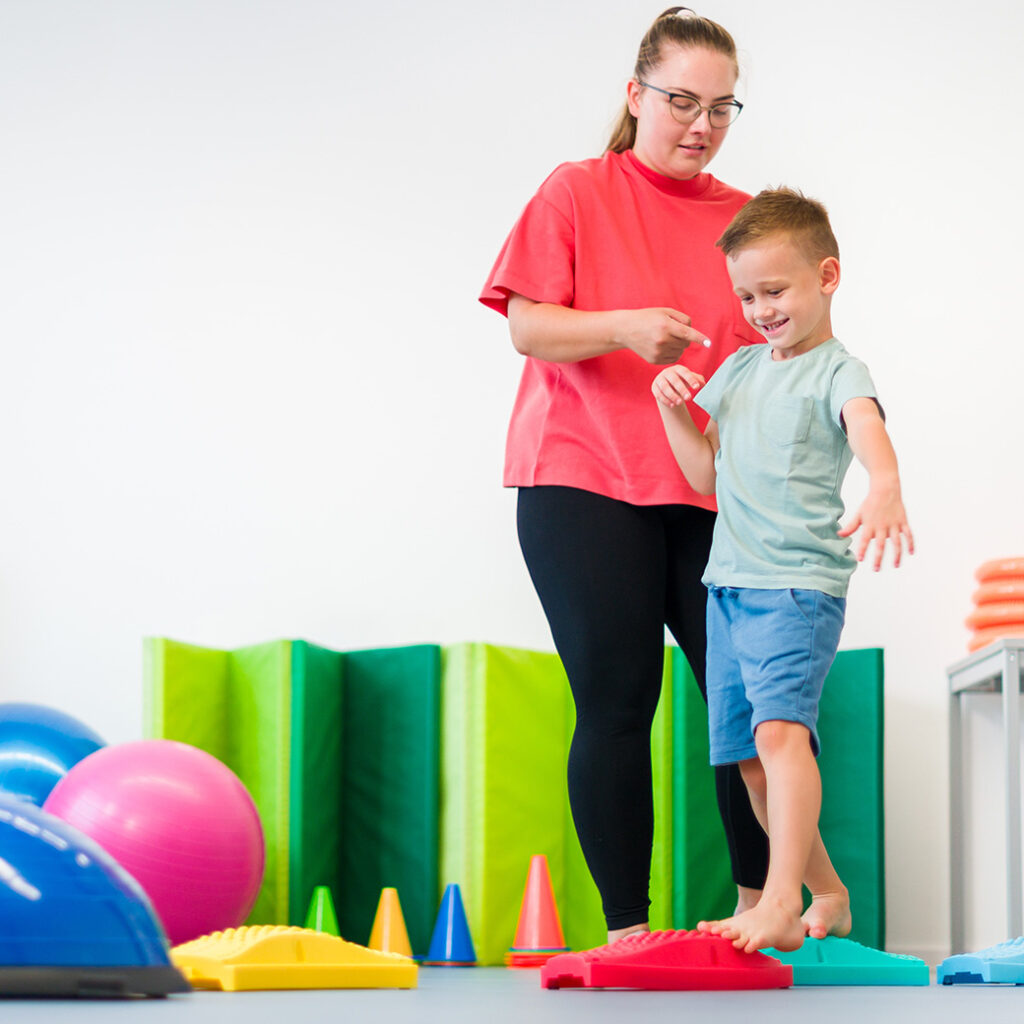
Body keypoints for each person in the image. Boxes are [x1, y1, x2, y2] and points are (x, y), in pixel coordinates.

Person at [479, 7, 770, 942]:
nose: (701, 124)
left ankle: (760, 912)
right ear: (635, 94)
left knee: (749, 698)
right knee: (617, 698)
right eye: (683, 100)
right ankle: (627, 929)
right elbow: (528, 325)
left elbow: (770, 361)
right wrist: (625, 325)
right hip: (581, 481)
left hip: (706, 490)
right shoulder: (576, 190)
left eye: (723, 107)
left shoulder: (745, 222)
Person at [651, 186, 914, 952]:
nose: (760, 309)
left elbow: (864, 425)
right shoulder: (737, 370)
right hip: (726, 588)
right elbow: (703, 474)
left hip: (795, 587)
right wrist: (672, 407)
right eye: (746, 295)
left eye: (775, 290)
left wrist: (886, 483)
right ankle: (827, 893)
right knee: (752, 764)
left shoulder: (838, 369)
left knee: (779, 738)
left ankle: (777, 903)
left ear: (826, 277)